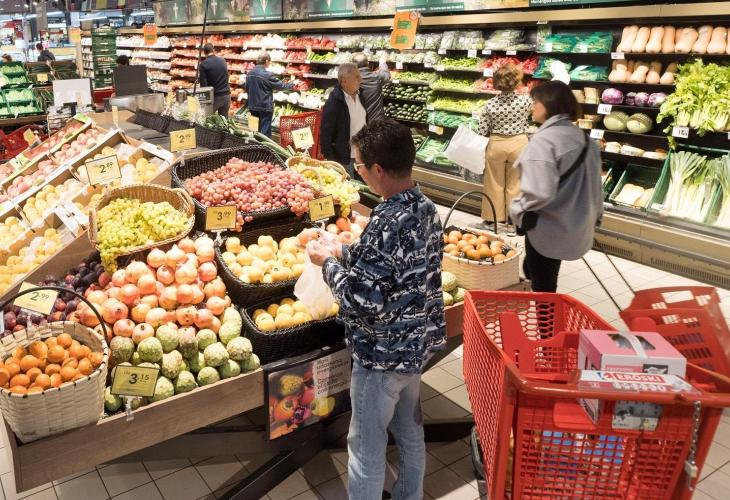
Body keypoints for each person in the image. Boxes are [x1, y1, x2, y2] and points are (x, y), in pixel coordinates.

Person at [307, 119, 446, 500]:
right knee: (410, 433)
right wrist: (342, 249)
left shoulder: (385, 219)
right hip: (416, 344)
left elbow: (362, 300)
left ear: (378, 170)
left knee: (365, 448)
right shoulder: (425, 207)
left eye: (359, 166)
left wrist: (327, 264)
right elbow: (395, 264)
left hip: (382, 354)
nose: (359, 172)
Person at [509, 81, 604, 293]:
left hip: (549, 227)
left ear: (549, 104)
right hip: (578, 225)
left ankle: (547, 316)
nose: (532, 107)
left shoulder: (544, 142)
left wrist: (517, 209)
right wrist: (596, 217)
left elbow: (539, 192)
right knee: (537, 272)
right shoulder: (586, 140)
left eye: (536, 102)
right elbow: (597, 187)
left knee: (544, 286)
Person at [476, 64, 532, 226]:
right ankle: (513, 220)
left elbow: (482, 130)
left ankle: (492, 218)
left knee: (494, 183)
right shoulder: (526, 101)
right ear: (516, 81)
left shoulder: (490, 104)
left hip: (497, 144)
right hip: (519, 143)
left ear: (496, 83)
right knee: (516, 183)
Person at [320, 63, 365, 174]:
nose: (361, 80)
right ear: (344, 81)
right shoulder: (335, 102)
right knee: (348, 183)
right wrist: (331, 160)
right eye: (357, 77)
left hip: (362, 154)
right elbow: (326, 133)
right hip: (344, 158)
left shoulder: (360, 95)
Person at [244, 51, 295, 137]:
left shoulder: (249, 74)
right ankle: (262, 145)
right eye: (270, 61)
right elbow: (280, 86)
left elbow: (247, 87)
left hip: (252, 106)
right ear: (267, 61)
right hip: (264, 107)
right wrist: (292, 84)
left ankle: (253, 144)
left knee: (254, 130)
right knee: (265, 134)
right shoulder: (267, 75)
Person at [351, 53, 390, 123]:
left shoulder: (349, 80)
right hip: (376, 120)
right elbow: (386, 75)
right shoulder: (376, 77)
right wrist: (382, 63)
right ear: (368, 63)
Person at [199, 44, 231, 116]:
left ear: (204, 52)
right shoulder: (222, 60)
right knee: (223, 120)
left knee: (207, 118)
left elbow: (203, 86)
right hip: (226, 96)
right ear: (213, 50)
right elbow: (227, 75)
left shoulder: (203, 65)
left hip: (214, 97)